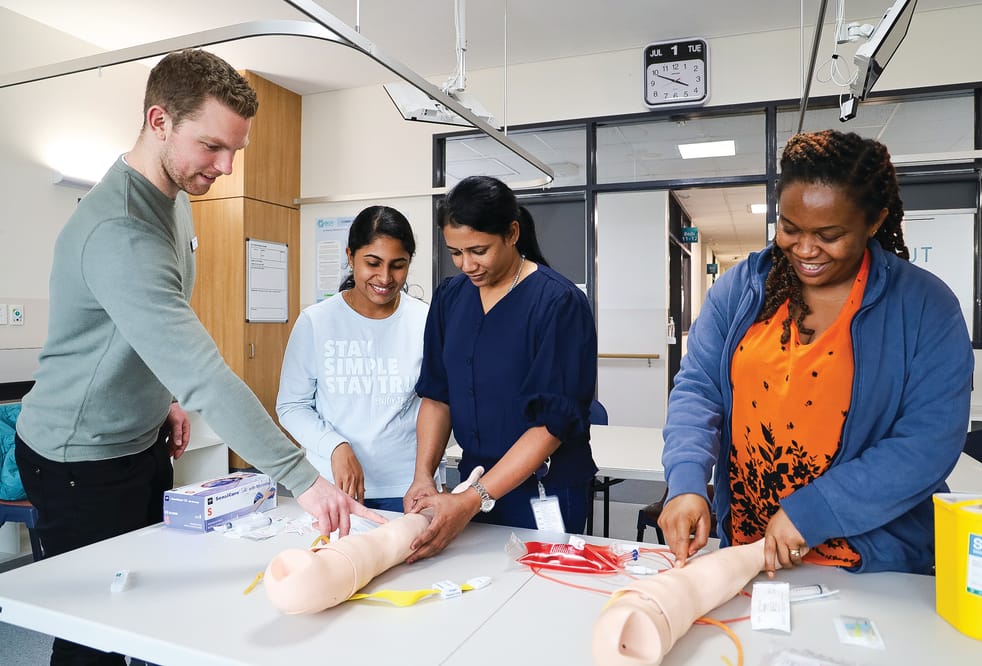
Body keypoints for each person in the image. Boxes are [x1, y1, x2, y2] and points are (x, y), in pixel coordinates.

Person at [14, 49, 381, 665]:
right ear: (159, 121)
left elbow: (160, 329)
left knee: (152, 610)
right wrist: (302, 480)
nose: (226, 167)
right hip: (77, 458)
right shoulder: (120, 231)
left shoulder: (176, 195)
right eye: (213, 147)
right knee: (97, 635)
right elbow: (207, 371)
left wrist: (169, 398)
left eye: (234, 150)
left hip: (139, 440)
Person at [657, 129, 974, 576]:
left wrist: (816, 511)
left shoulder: (924, 306)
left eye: (829, 235)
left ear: (875, 221)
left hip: (868, 563)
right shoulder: (743, 290)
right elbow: (698, 389)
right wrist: (687, 481)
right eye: (790, 228)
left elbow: (928, 440)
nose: (805, 250)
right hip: (752, 551)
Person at [404, 175, 598, 563]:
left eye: (479, 250)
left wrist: (474, 500)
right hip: (473, 481)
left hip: (544, 487)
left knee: (539, 594)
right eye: (456, 252)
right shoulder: (450, 299)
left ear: (512, 233)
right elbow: (437, 396)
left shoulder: (559, 304)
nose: (467, 265)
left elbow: (551, 425)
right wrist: (424, 474)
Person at [276, 206, 428, 513]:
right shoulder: (316, 322)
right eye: (372, 263)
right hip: (331, 487)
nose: (385, 277)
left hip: (407, 489)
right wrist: (335, 445)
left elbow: (437, 404)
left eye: (398, 265)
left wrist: (426, 476)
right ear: (350, 256)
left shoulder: (425, 320)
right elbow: (291, 406)